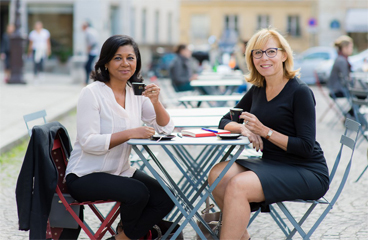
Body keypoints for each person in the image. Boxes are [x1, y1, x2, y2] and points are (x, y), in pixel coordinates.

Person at [208, 28, 329, 240]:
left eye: (271, 51)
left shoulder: (300, 91)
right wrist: (245, 129)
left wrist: (265, 131)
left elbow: (305, 146)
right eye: (258, 53)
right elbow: (225, 121)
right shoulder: (257, 90)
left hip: (306, 169)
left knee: (238, 185)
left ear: (284, 55)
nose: (264, 58)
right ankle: (240, 235)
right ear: (251, 58)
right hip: (273, 163)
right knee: (218, 174)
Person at [65, 35, 175, 240]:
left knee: (166, 197)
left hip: (119, 171)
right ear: (106, 62)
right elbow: (88, 142)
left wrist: (156, 102)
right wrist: (131, 133)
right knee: (138, 193)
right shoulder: (92, 93)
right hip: (85, 175)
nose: (125, 63)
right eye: (118, 58)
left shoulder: (135, 92)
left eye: (130, 58)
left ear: (137, 62)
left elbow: (165, 128)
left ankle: (122, 238)